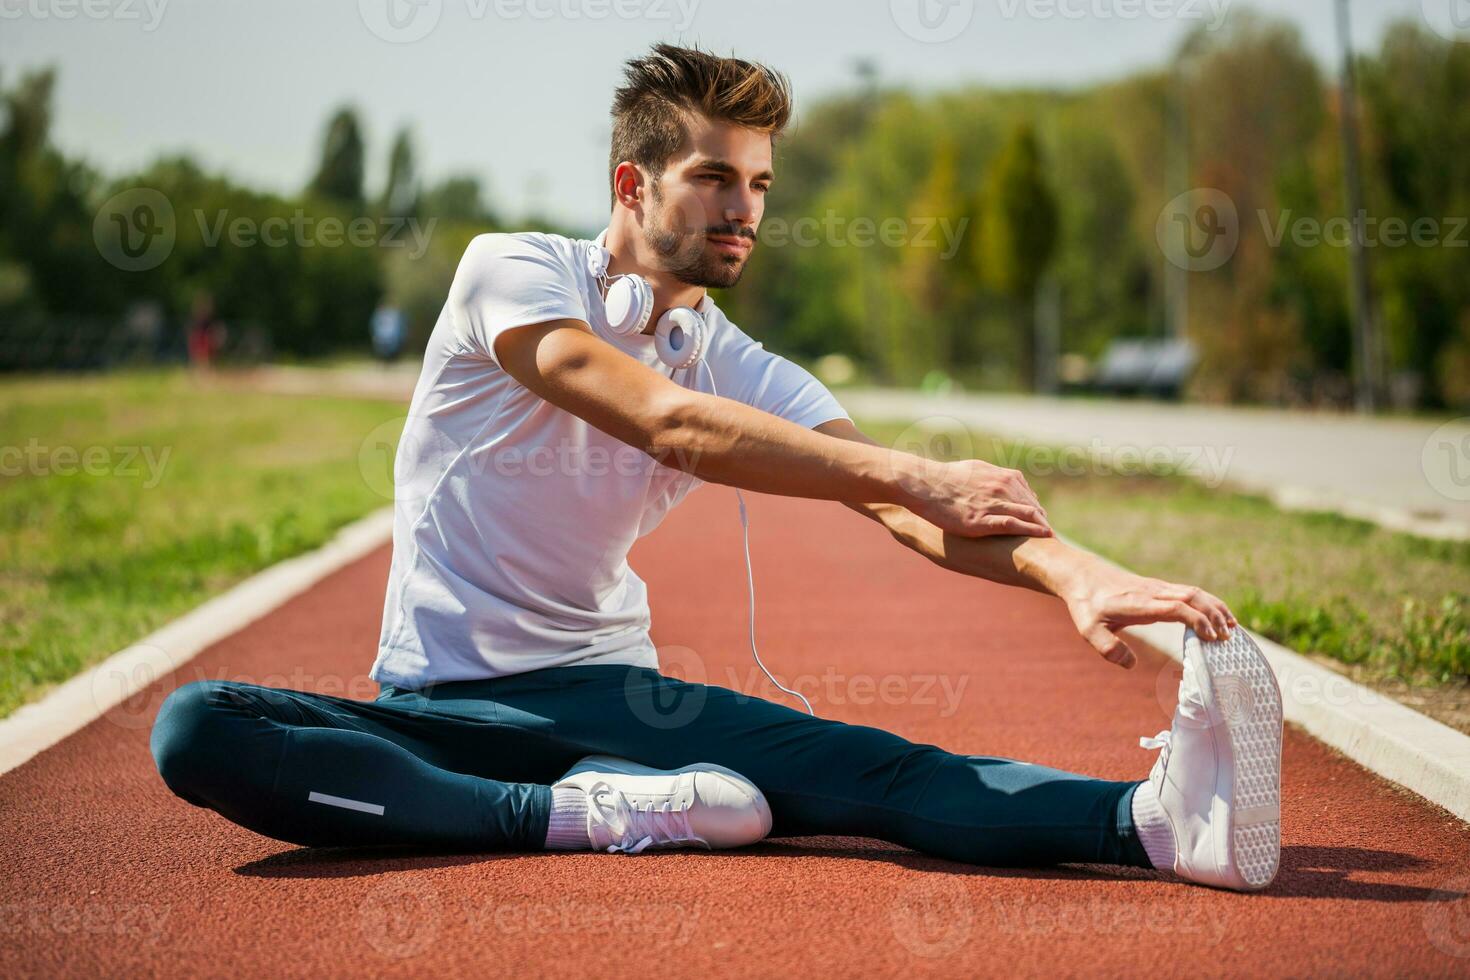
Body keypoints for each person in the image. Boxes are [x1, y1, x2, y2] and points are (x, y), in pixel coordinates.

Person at [151, 44, 1281, 890]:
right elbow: (668, 425)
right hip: (440, 709)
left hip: (620, 698)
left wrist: (1071, 572)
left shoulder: (731, 358)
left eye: (760, 185)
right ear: (631, 185)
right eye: (713, 178)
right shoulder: (512, 274)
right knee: (199, 727)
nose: (744, 210)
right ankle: (571, 814)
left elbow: (900, 507)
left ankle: (1153, 822)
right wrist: (919, 471)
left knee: (883, 772)